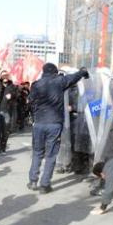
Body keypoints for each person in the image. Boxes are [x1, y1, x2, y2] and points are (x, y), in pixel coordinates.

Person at [27, 63, 89, 193]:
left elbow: (31, 101)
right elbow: (74, 77)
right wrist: (83, 72)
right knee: (50, 155)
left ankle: (33, 181)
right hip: (54, 123)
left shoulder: (36, 85)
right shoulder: (60, 81)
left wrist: (36, 115)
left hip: (39, 123)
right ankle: (45, 185)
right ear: (55, 72)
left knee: (37, 152)